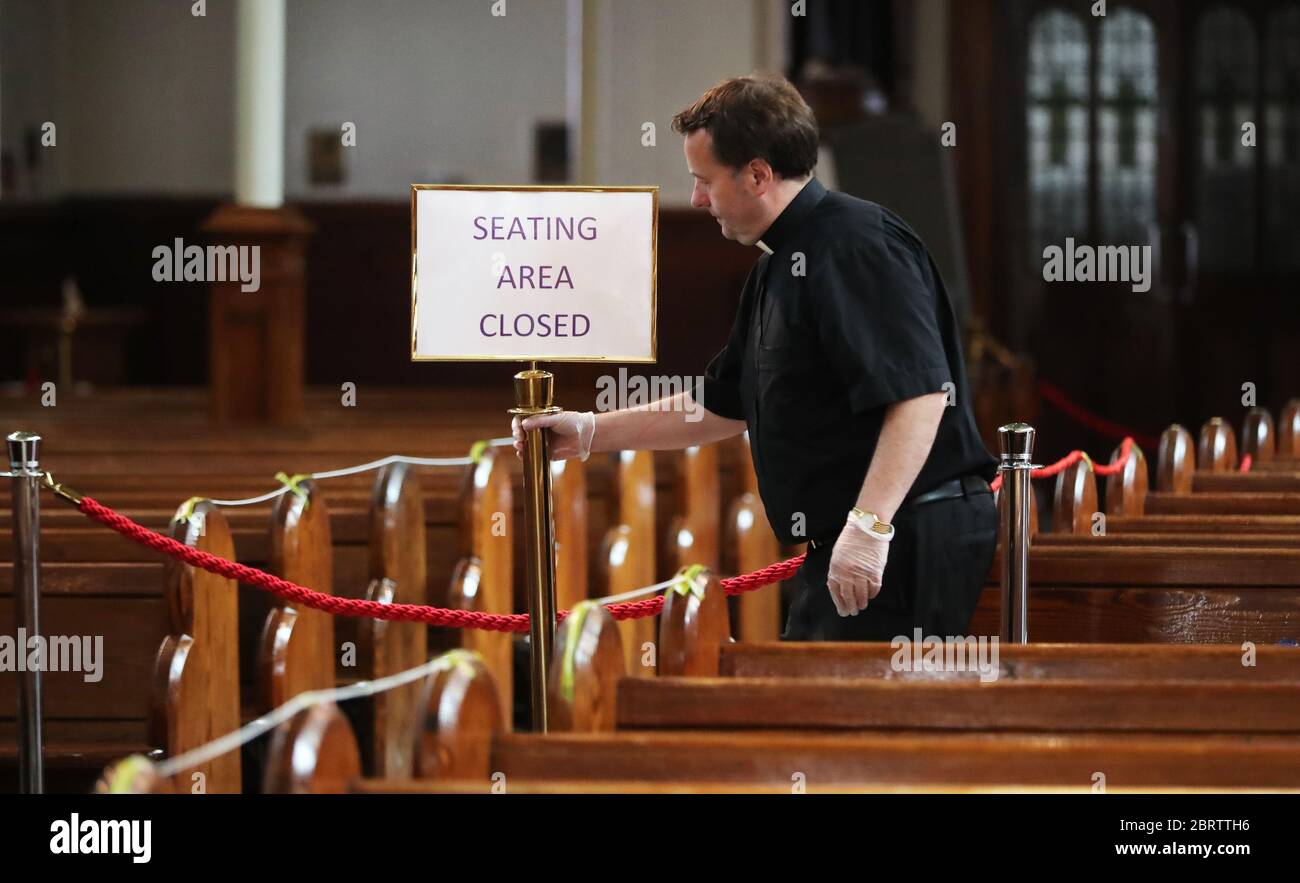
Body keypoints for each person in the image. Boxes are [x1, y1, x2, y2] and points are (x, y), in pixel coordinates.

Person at [512, 74, 998, 641]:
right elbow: (721, 403)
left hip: (905, 537)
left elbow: (919, 397)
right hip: (866, 538)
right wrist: (591, 431)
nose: (696, 199)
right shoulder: (778, 261)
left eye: (704, 181)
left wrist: (869, 527)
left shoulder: (856, 244)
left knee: (860, 727)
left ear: (758, 174)